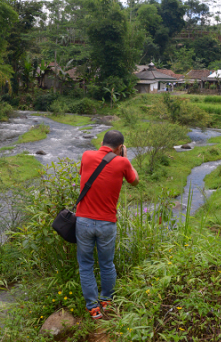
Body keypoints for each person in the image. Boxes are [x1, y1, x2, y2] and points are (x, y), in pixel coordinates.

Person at [75, 130, 139, 319]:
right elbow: (135, 181)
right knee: (106, 264)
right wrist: (125, 158)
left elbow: (84, 173)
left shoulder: (86, 155)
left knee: (85, 265)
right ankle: (107, 301)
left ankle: (93, 308)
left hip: (84, 221)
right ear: (120, 148)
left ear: (102, 142)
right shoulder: (123, 162)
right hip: (107, 223)